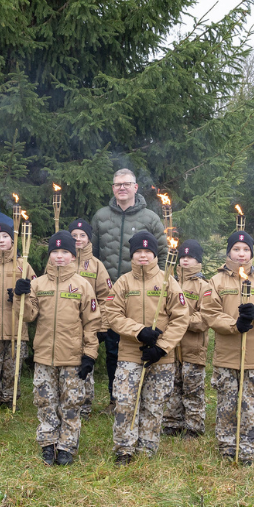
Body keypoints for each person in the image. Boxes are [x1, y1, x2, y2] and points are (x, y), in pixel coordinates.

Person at [200, 231, 254, 464]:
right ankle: (227, 446)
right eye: (236, 249)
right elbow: (209, 313)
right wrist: (234, 324)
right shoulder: (216, 281)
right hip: (227, 354)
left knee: (252, 404)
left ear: (251, 253)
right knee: (227, 403)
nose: (241, 254)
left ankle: (249, 448)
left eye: (245, 249)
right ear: (229, 251)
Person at [17, 231, 100, 465]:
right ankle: (48, 442)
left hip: (72, 357)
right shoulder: (38, 284)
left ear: (73, 256)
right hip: (44, 355)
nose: (60, 257)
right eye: (55, 252)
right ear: (50, 255)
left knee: (71, 402)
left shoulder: (82, 285)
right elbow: (28, 316)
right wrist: (20, 296)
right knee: (45, 400)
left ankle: (67, 445)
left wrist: (89, 355)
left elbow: (92, 323)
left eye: (65, 252)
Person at [105, 231, 188, 465]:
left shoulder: (168, 281)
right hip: (130, 354)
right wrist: (138, 331)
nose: (143, 256)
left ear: (155, 254)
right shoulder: (123, 282)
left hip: (160, 358)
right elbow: (112, 314)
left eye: (147, 251)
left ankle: (147, 447)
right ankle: (124, 448)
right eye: (138, 252)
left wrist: (162, 347)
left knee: (154, 403)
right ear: (132, 254)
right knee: (125, 402)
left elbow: (181, 318)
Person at [91, 169, 168, 412]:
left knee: (148, 341)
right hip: (111, 292)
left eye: (126, 184)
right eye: (117, 185)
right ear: (112, 188)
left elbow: (163, 252)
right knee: (115, 345)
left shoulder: (150, 218)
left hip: (144, 291)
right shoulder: (101, 216)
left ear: (136, 187)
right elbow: (92, 253)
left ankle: (146, 397)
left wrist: (158, 282)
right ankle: (117, 399)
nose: (121, 188)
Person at [0, 221, 36, 407]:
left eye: (5, 237)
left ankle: (10, 397)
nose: (1, 241)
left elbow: (34, 294)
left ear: (12, 240)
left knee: (13, 366)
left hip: (16, 326)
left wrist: (21, 296)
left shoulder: (23, 265)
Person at [161, 240, 211, 437]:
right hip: (172, 345)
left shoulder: (204, 286)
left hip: (193, 346)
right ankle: (173, 422)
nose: (185, 261)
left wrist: (182, 321)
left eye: (190, 257)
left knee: (192, 388)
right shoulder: (169, 282)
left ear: (198, 260)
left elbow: (205, 317)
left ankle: (194, 425)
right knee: (173, 385)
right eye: (182, 257)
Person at [68, 218, 113, 419]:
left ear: (89, 239)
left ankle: (85, 405)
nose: (78, 239)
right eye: (74, 236)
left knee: (86, 361)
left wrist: (101, 325)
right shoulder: (60, 260)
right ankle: (68, 399)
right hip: (66, 323)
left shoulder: (96, 266)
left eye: (82, 235)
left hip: (89, 323)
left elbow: (106, 297)